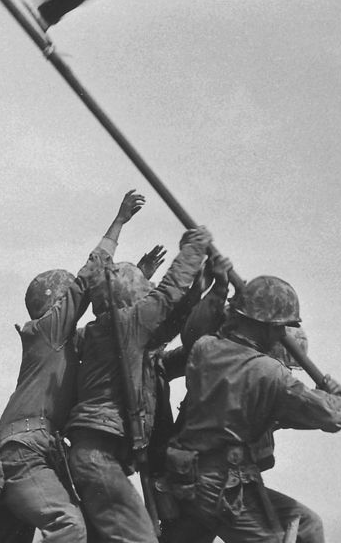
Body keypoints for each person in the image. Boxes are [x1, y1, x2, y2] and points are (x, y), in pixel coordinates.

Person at [0, 190, 149, 543]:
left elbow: (109, 327)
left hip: (25, 451)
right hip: (25, 451)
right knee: (69, 527)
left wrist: (133, 281)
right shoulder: (46, 332)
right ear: (55, 304)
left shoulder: (59, 343)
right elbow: (89, 277)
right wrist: (118, 222)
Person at [160, 275, 341, 543]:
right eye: (280, 327)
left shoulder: (205, 348)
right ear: (266, 325)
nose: (282, 335)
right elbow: (329, 413)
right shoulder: (269, 373)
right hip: (224, 485)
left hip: (189, 478)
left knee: (305, 524)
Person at [65, 224, 216, 543]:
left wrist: (197, 295)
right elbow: (166, 295)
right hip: (99, 454)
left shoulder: (109, 334)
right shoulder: (125, 326)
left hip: (98, 453)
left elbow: (166, 328)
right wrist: (194, 247)